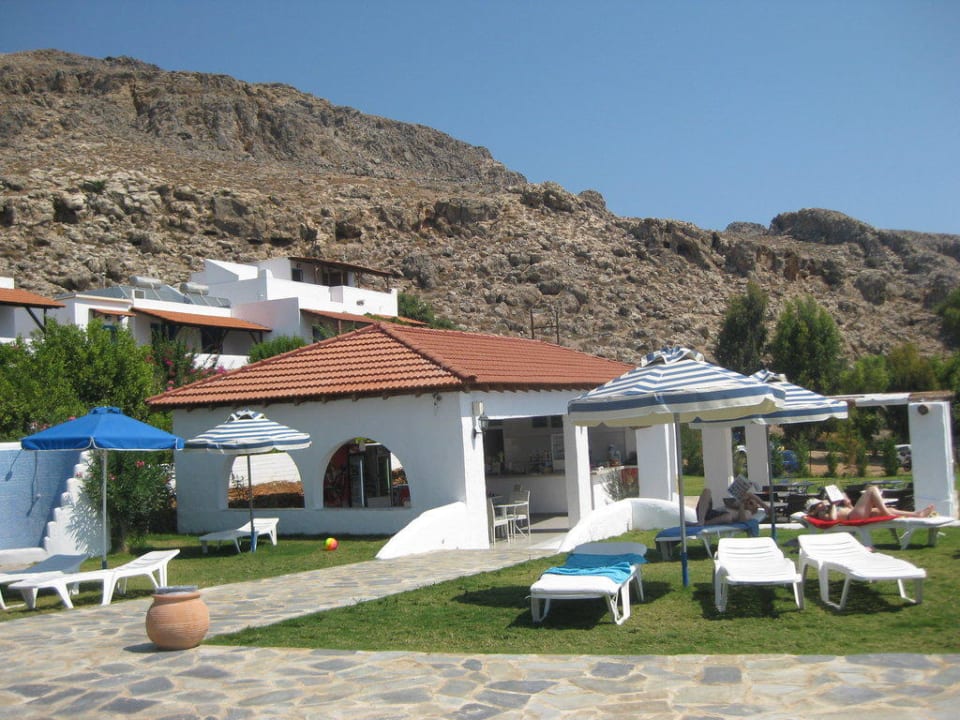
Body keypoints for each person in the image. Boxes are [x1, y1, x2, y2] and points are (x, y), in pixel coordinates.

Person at [805, 485, 935, 521]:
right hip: (853, 517)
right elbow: (833, 518)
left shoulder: (827, 509)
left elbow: (848, 509)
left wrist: (847, 503)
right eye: (818, 505)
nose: (821, 504)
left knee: (890, 509)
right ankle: (886, 514)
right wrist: (833, 504)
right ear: (813, 510)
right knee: (872, 490)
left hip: (854, 513)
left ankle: (917, 514)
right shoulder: (821, 514)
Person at [697, 487, 770, 525]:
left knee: (728, 517)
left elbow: (742, 521)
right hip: (705, 513)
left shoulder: (748, 513)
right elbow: (749, 494)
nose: (747, 502)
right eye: (748, 500)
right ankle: (701, 521)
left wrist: (741, 504)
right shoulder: (736, 505)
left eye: (750, 503)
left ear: (754, 510)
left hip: (717, 519)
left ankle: (703, 523)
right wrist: (764, 506)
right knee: (707, 491)